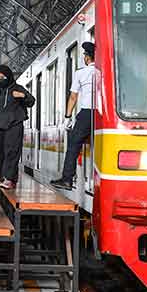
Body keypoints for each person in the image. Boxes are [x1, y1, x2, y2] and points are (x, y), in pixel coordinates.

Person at [51, 42, 96, 190]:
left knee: (73, 145)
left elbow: (73, 97)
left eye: (84, 55)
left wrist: (67, 117)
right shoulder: (104, 72)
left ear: (87, 58)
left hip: (86, 113)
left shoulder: (81, 73)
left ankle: (67, 179)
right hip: (102, 114)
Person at [0, 65, 35, 189]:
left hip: (15, 124)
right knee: (1, 151)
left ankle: (10, 179)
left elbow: (31, 101)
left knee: (12, 151)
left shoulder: (18, 88)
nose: (0, 80)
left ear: (9, 76)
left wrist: (23, 96)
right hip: (0, 124)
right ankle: (4, 176)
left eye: (2, 77)